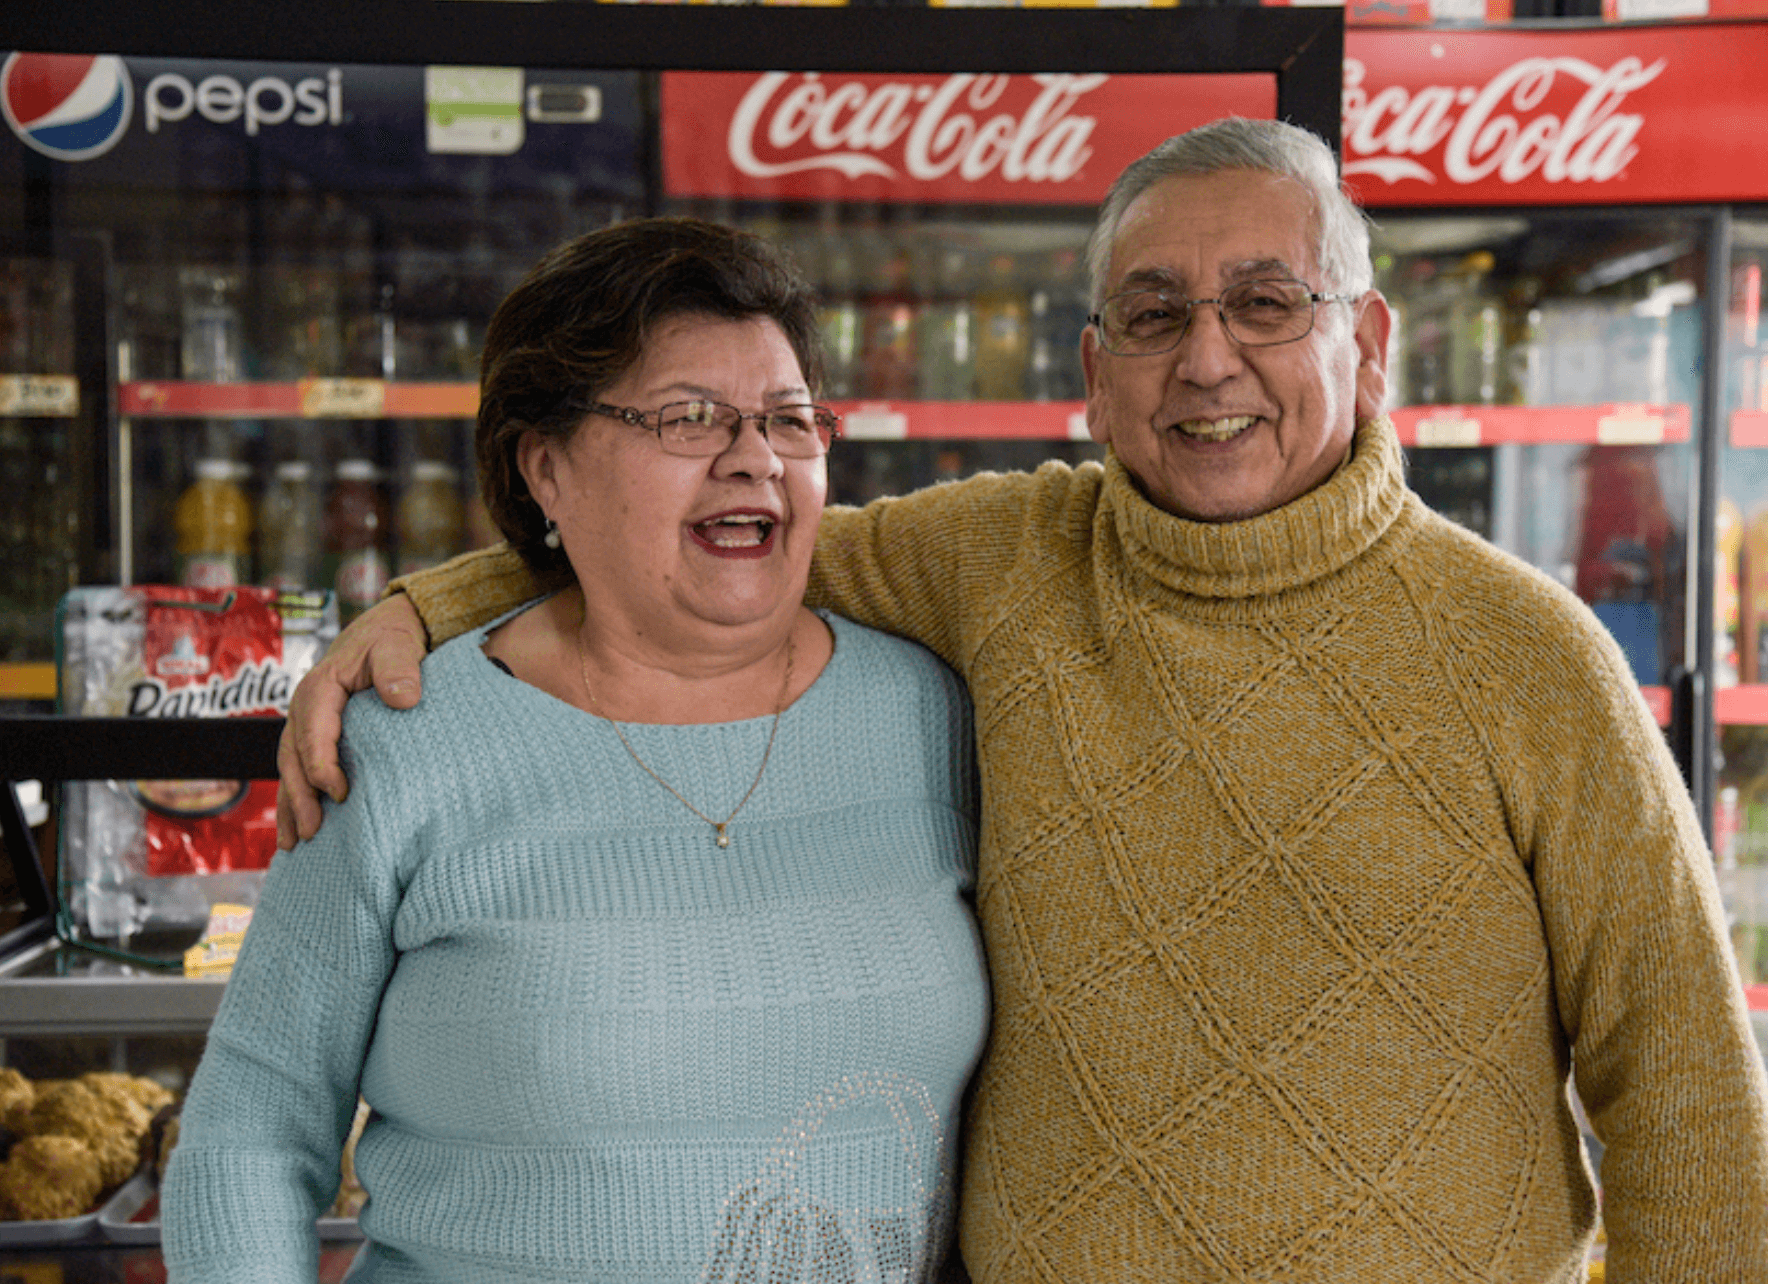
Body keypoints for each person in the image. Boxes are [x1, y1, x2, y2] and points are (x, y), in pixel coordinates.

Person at [278, 120, 1768, 1282]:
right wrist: (431, 604)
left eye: (1267, 303)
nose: (1208, 358)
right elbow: (716, 546)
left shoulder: (1527, 653)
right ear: (1092, 374)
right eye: (1154, 312)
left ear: (1366, 346)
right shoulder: (1005, 562)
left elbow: (1690, 1095)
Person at [163, 218, 989, 1283]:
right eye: (690, 419)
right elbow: (250, 1135)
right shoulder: (412, 742)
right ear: (547, 468)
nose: (754, 459)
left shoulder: (933, 715)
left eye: (789, 421)